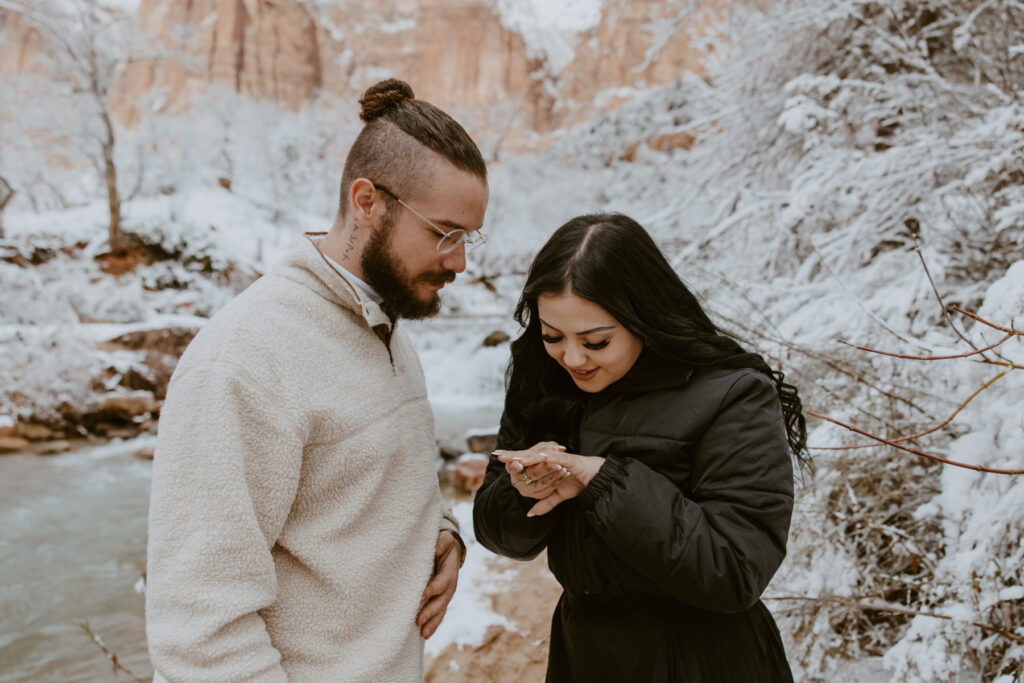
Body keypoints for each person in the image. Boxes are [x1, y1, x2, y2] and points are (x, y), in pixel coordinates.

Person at [146, 79, 489, 682]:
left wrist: (439, 533)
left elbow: (358, 490)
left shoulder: (385, 324)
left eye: (468, 237)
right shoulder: (243, 362)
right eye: (444, 233)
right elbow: (198, 632)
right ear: (367, 202)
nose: (460, 261)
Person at [473, 213, 806, 682]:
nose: (571, 358)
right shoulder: (542, 380)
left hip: (703, 659)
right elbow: (495, 533)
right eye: (553, 336)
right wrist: (524, 493)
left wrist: (603, 482)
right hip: (584, 655)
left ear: (643, 318)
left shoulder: (732, 393)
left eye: (596, 341)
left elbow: (735, 570)